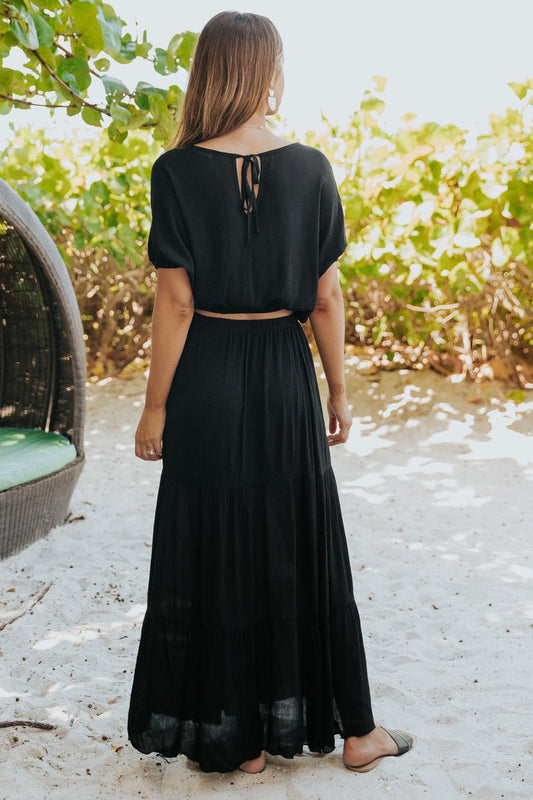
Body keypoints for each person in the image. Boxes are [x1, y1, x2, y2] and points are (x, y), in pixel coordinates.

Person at [127, 10, 415, 776]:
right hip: (286, 374)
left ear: (207, 73)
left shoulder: (174, 170)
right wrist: (338, 390)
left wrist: (154, 406)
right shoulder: (311, 167)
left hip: (208, 375)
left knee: (216, 543)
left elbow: (176, 304)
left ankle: (241, 742)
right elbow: (325, 297)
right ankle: (356, 734)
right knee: (299, 542)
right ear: (267, 72)